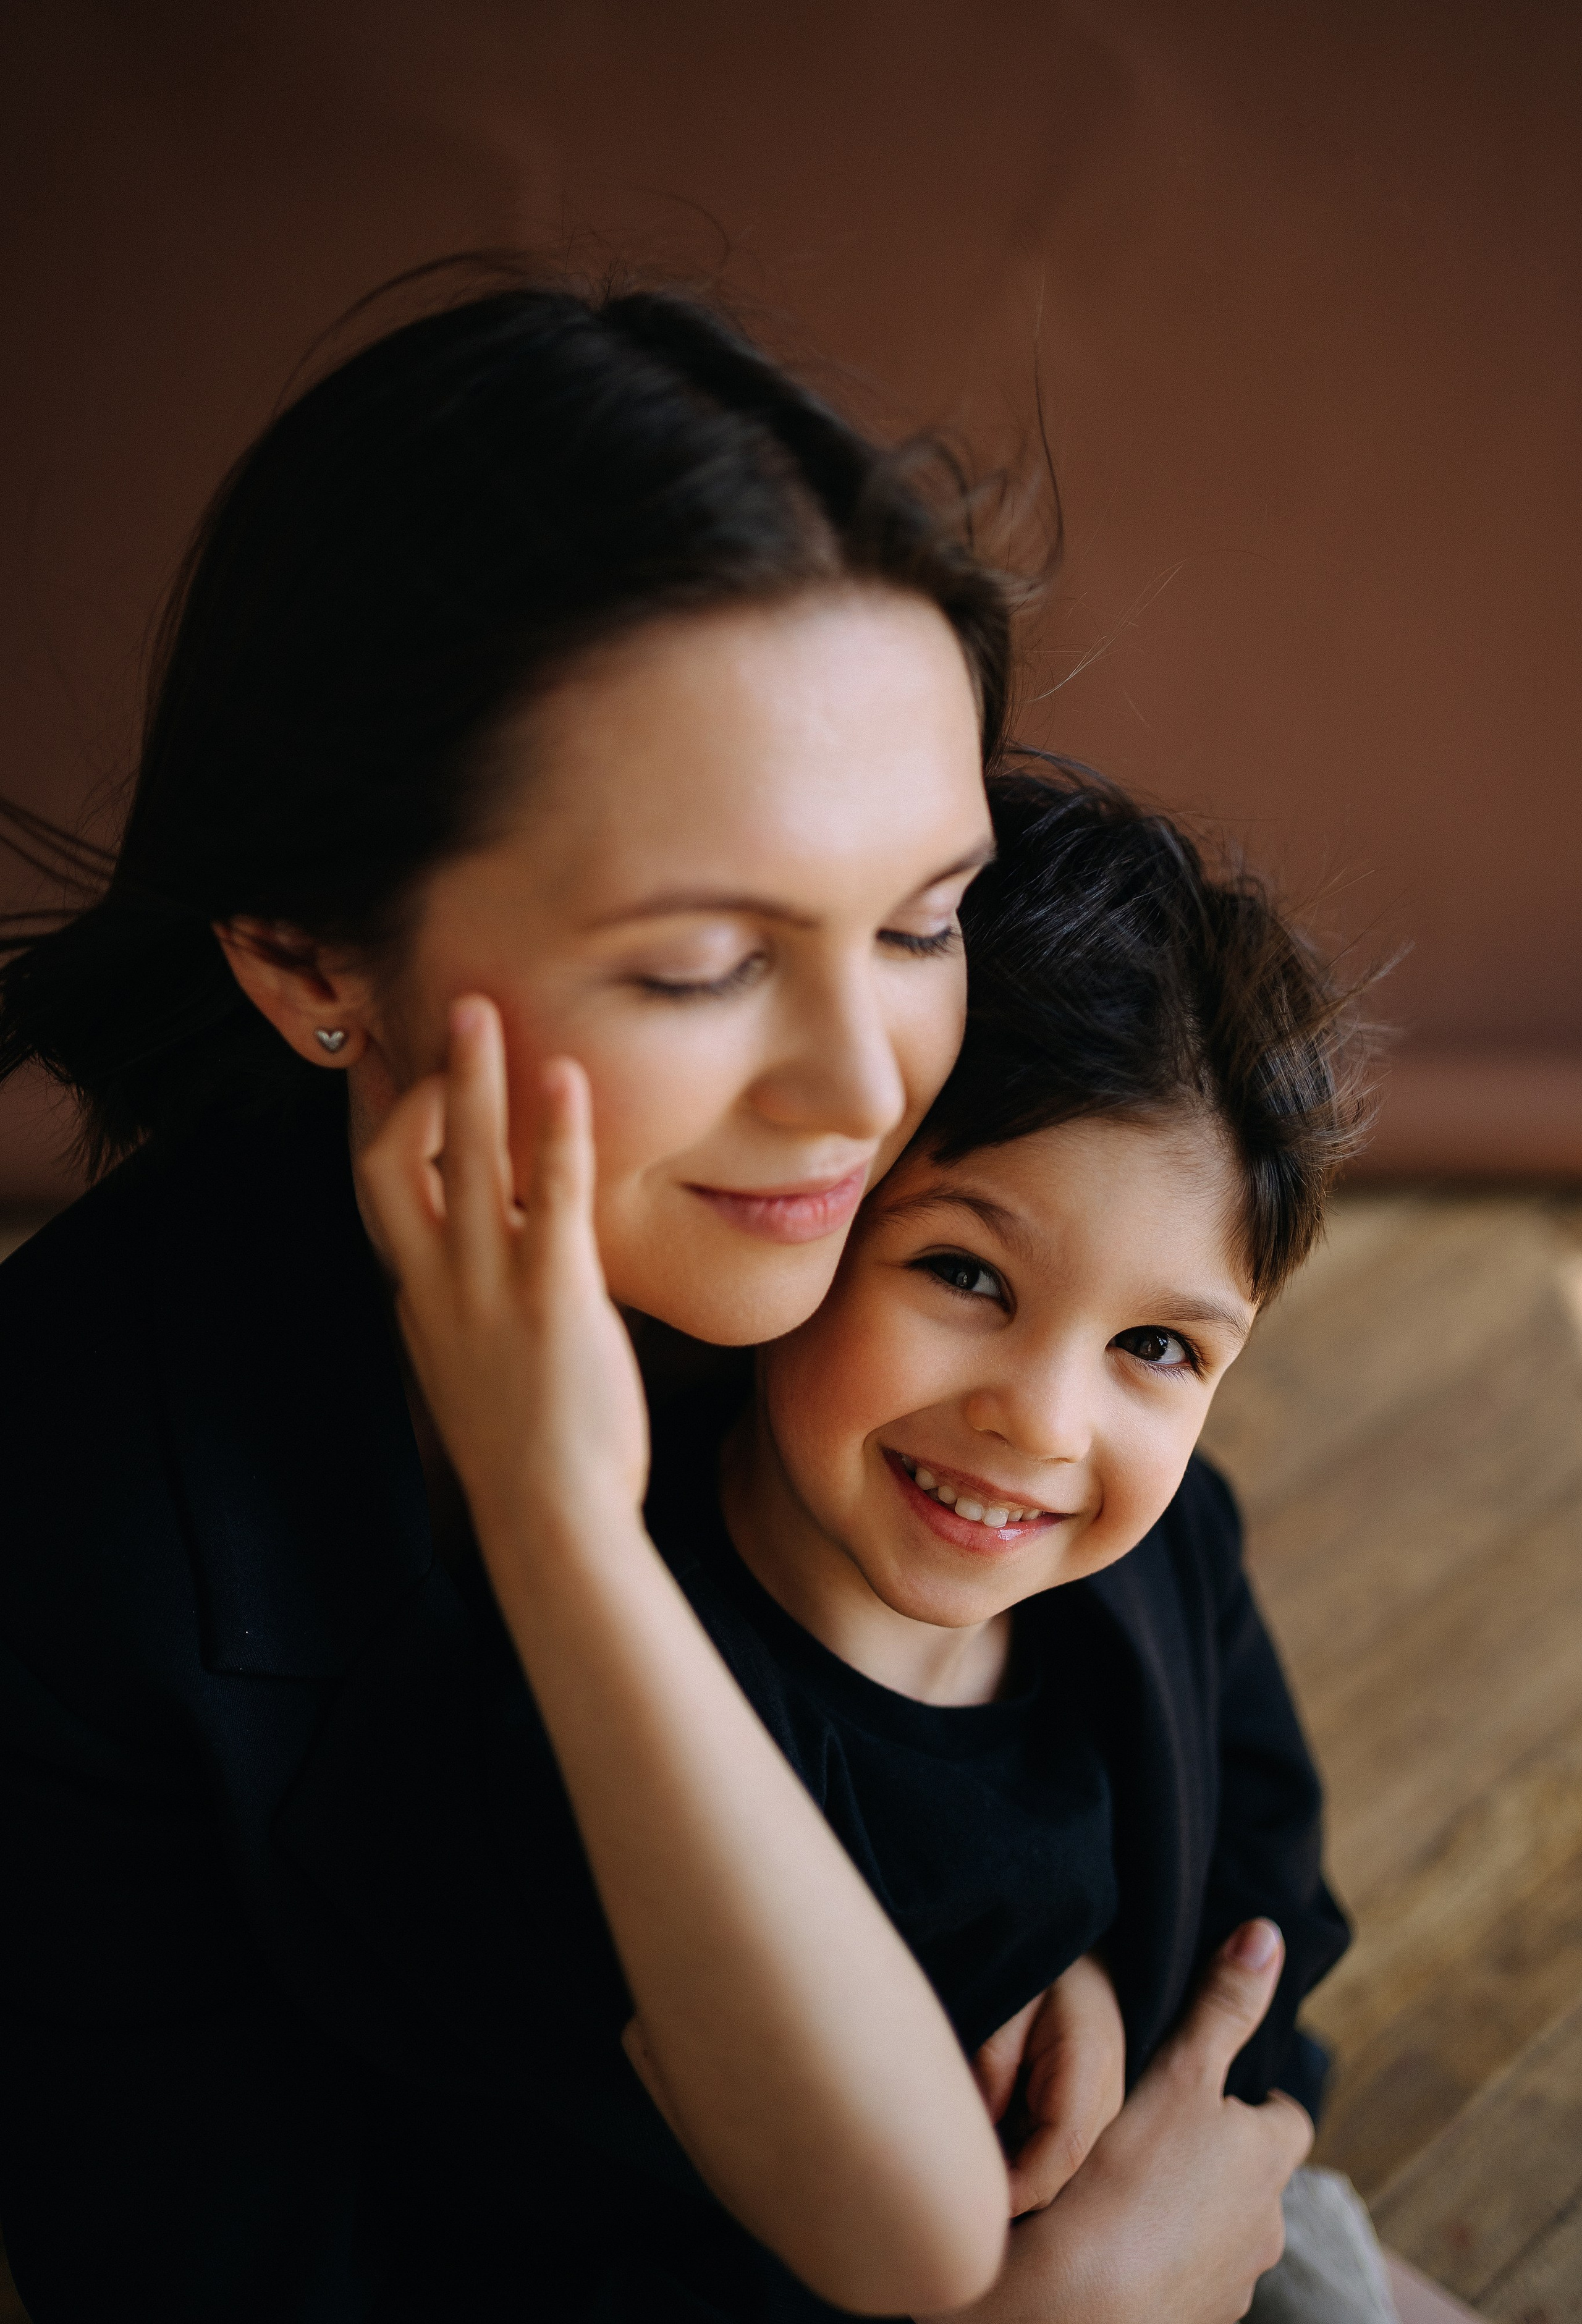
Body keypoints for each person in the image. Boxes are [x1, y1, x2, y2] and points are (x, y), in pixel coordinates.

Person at [0, 274, 1308, 2323]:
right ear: (313, 962)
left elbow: (1194, 1744)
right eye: (703, 963)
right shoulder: (77, 1534)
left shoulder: (930, 1253)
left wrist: (1070, 1961)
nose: (869, 1089)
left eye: (922, 920)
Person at [622, 764, 1377, 2320]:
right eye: (966, 1274)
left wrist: (1132, 2003)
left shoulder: (1161, 1566)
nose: (1040, 1423)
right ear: (808, 1218)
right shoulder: (645, 1696)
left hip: (1190, 2185)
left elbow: (1270, 1890)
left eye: (1157, 1350)